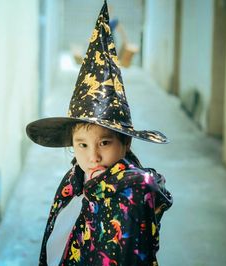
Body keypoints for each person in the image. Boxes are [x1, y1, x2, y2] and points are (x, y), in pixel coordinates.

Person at [25, 1, 172, 265]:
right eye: (81, 145)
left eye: (104, 142)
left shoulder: (132, 192)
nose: (93, 156)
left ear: (125, 143)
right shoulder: (75, 180)